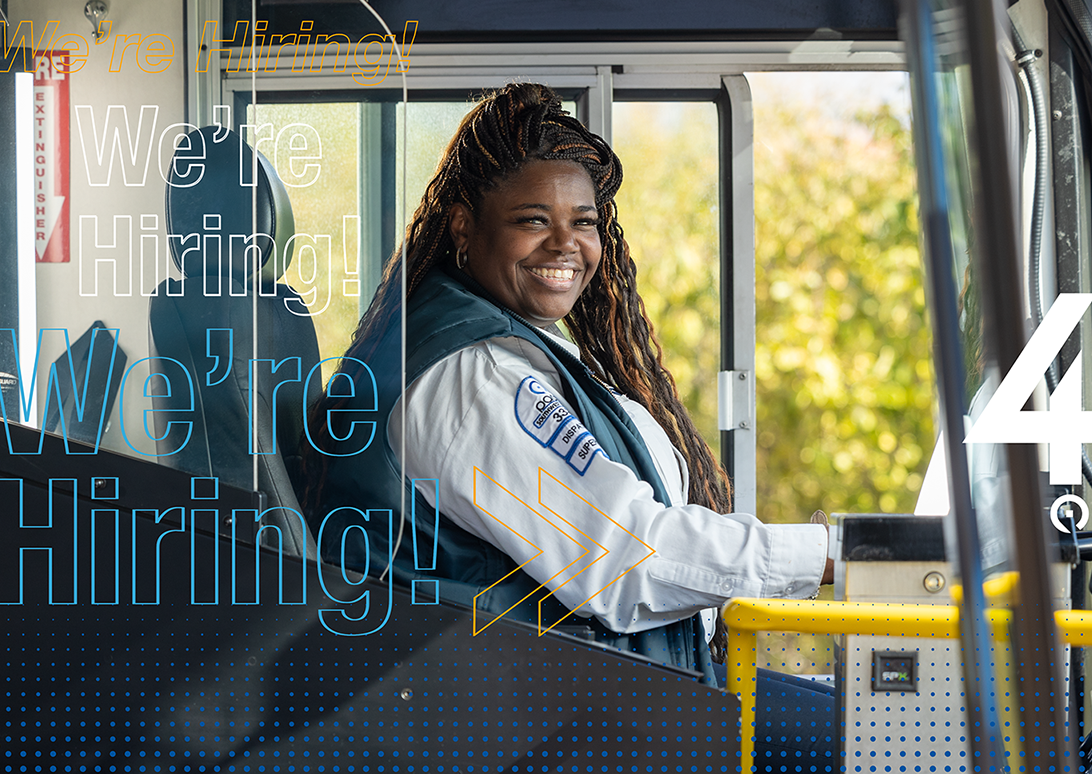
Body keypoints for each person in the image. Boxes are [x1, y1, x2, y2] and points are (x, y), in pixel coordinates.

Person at [303, 82, 838, 770]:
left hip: (581, 687)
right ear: (465, 227)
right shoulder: (476, 377)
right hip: (547, 716)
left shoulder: (499, 342)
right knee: (896, 738)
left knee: (864, 714)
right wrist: (829, 554)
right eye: (532, 219)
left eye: (583, 221)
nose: (566, 244)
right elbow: (625, 562)